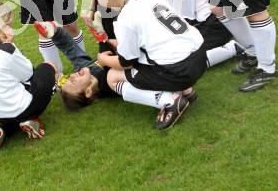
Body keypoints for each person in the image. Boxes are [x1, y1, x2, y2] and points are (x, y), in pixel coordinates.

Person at [93, 0, 207, 129]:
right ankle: (188, 91)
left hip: (180, 70)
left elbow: (127, 63)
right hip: (200, 56)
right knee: (156, 56)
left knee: (112, 76)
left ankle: (170, 101)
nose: (97, 0)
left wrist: (103, 59)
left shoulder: (125, 16)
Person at [34, 20, 194, 130]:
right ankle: (170, 98)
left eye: (69, 78)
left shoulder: (84, 69)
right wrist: (107, 57)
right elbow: (134, 68)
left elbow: (70, 49)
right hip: (155, 63)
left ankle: (179, 91)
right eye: (73, 83)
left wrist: (54, 32)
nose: (72, 76)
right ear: (88, 91)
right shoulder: (109, 86)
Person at [0, 1, 58, 164]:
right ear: (2, 27)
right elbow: (29, 74)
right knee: (48, 68)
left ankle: (2, 129)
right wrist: (10, 44)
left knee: (12, 94)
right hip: (19, 108)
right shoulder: (5, 50)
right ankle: (29, 118)